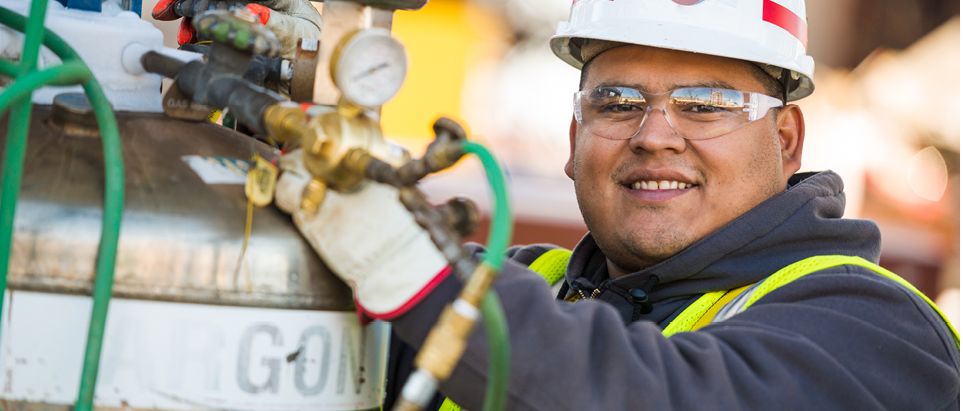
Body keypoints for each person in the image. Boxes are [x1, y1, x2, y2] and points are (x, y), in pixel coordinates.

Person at [275, 0, 961, 410]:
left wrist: (412, 268)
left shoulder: (876, 331)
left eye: (705, 104)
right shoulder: (521, 284)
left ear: (784, 140)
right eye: (616, 102)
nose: (653, 135)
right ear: (574, 141)